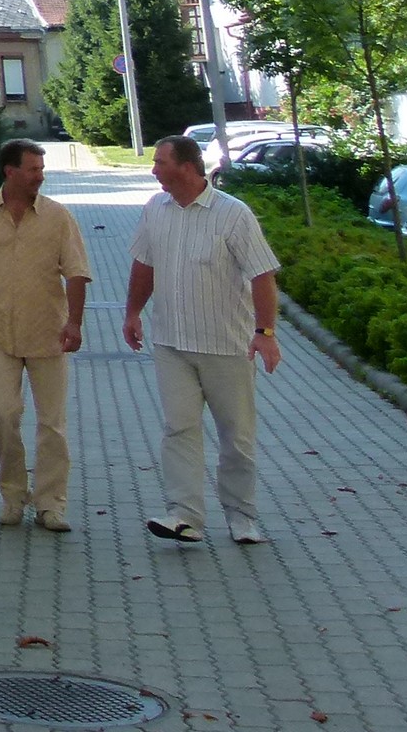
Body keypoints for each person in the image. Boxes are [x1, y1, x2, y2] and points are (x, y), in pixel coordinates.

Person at [124, 133, 282, 545]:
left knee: (236, 436)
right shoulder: (155, 209)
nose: (153, 170)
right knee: (179, 428)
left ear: (187, 167)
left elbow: (262, 274)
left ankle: (242, 516)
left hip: (226, 346)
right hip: (171, 343)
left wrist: (265, 332)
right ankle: (184, 515)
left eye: (160, 162)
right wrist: (133, 312)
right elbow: (144, 264)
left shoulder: (233, 214)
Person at [0, 138, 92, 531]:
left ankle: (50, 504)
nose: (40, 176)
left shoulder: (58, 217)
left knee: (52, 424)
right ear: (10, 171)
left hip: (49, 333)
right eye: (33, 169)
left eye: (42, 169)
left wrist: (75, 323)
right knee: (2, 413)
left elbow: (77, 272)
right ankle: (13, 495)